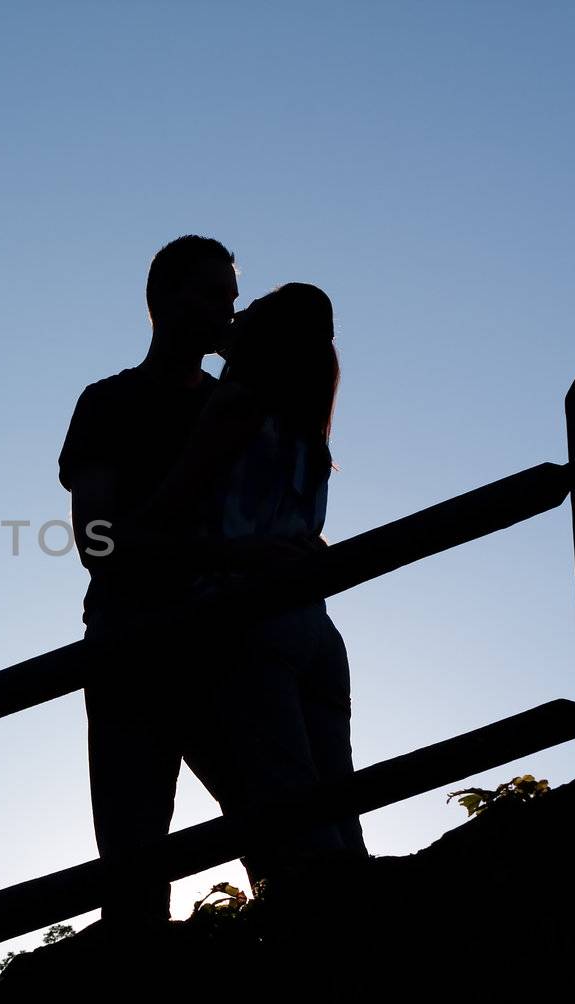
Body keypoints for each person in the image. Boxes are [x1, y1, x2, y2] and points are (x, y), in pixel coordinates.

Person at [147, 282, 368, 890]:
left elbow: (169, 510)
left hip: (249, 616)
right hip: (315, 629)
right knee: (337, 807)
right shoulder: (307, 420)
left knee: (287, 809)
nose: (230, 319)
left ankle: (316, 933)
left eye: (245, 313)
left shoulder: (238, 405)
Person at [57, 234, 239, 929]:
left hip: (226, 640)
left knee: (276, 816)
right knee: (134, 854)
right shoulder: (107, 403)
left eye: (232, 297)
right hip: (131, 642)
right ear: (161, 302)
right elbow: (95, 543)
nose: (227, 311)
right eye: (212, 295)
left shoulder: (237, 406)